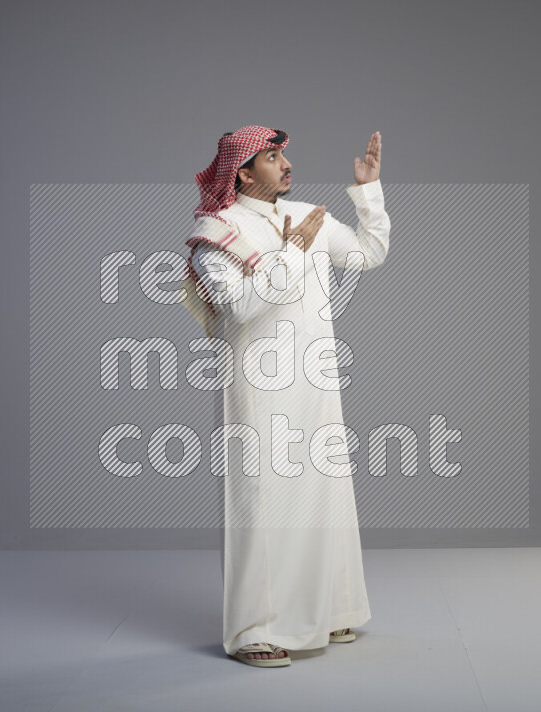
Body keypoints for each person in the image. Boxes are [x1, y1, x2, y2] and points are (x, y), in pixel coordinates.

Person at [182, 125, 390, 667]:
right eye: (271, 157)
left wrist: (368, 191)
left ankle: (332, 609)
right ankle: (254, 629)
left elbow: (369, 253)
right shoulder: (217, 230)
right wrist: (294, 252)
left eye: (284, 155)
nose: (285, 164)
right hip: (259, 386)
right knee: (262, 500)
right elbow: (240, 309)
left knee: (324, 492)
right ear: (243, 173)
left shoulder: (308, 217)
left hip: (316, 378)